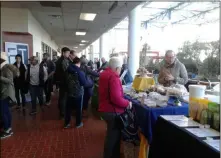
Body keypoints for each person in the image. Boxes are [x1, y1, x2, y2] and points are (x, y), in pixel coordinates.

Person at [98, 57, 132, 158]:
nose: (120, 70)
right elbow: (116, 98)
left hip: (105, 108)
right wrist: (127, 103)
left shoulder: (104, 74)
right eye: (120, 68)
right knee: (113, 138)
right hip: (112, 111)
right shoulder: (114, 77)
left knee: (111, 136)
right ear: (117, 68)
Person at [0, 52, 19, 139]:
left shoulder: (5, 68)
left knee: (4, 112)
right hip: (4, 92)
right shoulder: (3, 68)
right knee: (6, 111)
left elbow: (10, 80)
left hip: (6, 93)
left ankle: (7, 129)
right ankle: (8, 128)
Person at [64, 57, 86, 128]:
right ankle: (78, 123)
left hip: (69, 92)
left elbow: (65, 81)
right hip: (78, 93)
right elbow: (83, 83)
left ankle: (67, 123)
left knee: (68, 109)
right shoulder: (79, 72)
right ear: (79, 63)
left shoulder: (67, 70)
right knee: (78, 109)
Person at [55, 47, 70, 118]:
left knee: (61, 97)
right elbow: (66, 71)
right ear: (63, 53)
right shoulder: (63, 61)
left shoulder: (60, 60)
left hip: (61, 81)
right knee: (63, 98)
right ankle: (62, 113)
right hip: (64, 81)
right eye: (67, 53)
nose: (68, 54)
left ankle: (61, 110)